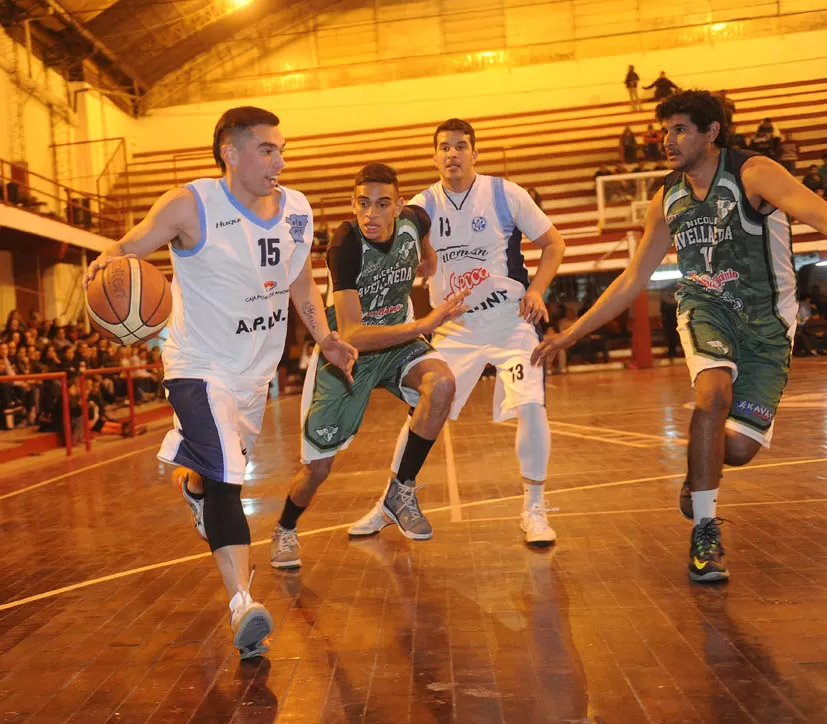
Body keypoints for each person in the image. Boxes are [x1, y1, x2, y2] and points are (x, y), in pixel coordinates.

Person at [84, 106, 358, 659]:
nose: (279, 160)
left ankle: (192, 485)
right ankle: (243, 605)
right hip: (197, 365)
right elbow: (126, 248)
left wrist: (324, 335)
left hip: (255, 372)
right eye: (267, 149)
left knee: (215, 477)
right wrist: (103, 271)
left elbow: (300, 277)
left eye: (282, 149)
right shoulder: (189, 203)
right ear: (230, 153)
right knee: (231, 480)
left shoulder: (297, 210)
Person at [531, 90, 827, 582]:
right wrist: (572, 333)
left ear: (711, 133)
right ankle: (706, 533)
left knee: (734, 450)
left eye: (680, 130)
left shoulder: (755, 173)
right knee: (710, 398)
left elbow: (819, 213)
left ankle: (699, 476)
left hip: (769, 327)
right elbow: (632, 278)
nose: (668, 141)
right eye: (665, 131)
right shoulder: (666, 197)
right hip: (705, 309)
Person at [348, 118, 567, 546]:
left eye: (461, 146)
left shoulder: (505, 193)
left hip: (510, 323)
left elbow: (554, 243)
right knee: (422, 411)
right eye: (444, 147)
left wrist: (538, 289)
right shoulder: (418, 208)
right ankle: (391, 500)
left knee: (531, 406)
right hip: (455, 328)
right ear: (433, 157)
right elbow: (386, 253)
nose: (452, 153)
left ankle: (534, 509)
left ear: (474, 153)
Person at [270, 163, 466, 568]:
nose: (371, 215)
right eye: (363, 204)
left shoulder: (415, 219)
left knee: (442, 384)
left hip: (395, 344)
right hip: (347, 356)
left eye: (381, 205)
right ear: (352, 204)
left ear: (398, 205)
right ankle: (286, 527)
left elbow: (423, 234)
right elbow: (354, 334)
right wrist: (425, 324)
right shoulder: (345, 245)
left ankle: (401, 489)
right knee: (318, 468)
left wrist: (427, 255)